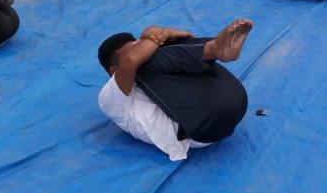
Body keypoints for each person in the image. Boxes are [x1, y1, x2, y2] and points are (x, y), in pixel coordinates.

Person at [97, 19, 253, 161]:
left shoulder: (155, 78)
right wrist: (162, 33)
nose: (139, 48)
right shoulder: (109, 99)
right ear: (113, 70)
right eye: (134, 48)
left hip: (235, 103)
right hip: (200, 129)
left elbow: (166, 40)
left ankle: (217, 48)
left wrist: (161, 34)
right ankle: (214, 48)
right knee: (148, 58)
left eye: (137, 44)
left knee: (163, 47)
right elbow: (131, 60)